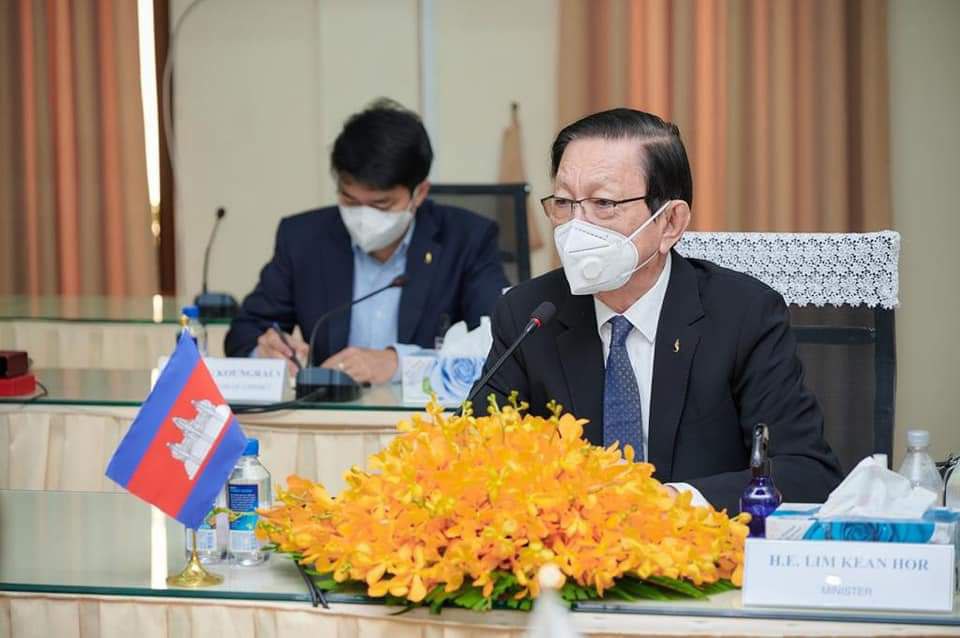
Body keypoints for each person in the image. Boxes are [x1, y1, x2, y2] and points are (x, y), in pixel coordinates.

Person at [471, 108, 842, 514]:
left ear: (670, 222)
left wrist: (666, 502)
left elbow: (806, 473)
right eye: (563, 202)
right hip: (571, 544)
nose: (576, 227)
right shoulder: (529, 315)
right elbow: (478, 456)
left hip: (700, 544)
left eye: (603, 203)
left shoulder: (743, 315)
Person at [225, 99, 509, 383]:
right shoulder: (303, 238)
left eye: (381, 205)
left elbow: (499, 342)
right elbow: (244, 333)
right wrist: (265, 353)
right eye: (350, 200)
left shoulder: (468, 239)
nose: (363, 217)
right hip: (330, 408)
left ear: (420, 193)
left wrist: (399, 364)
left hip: (428, 409)